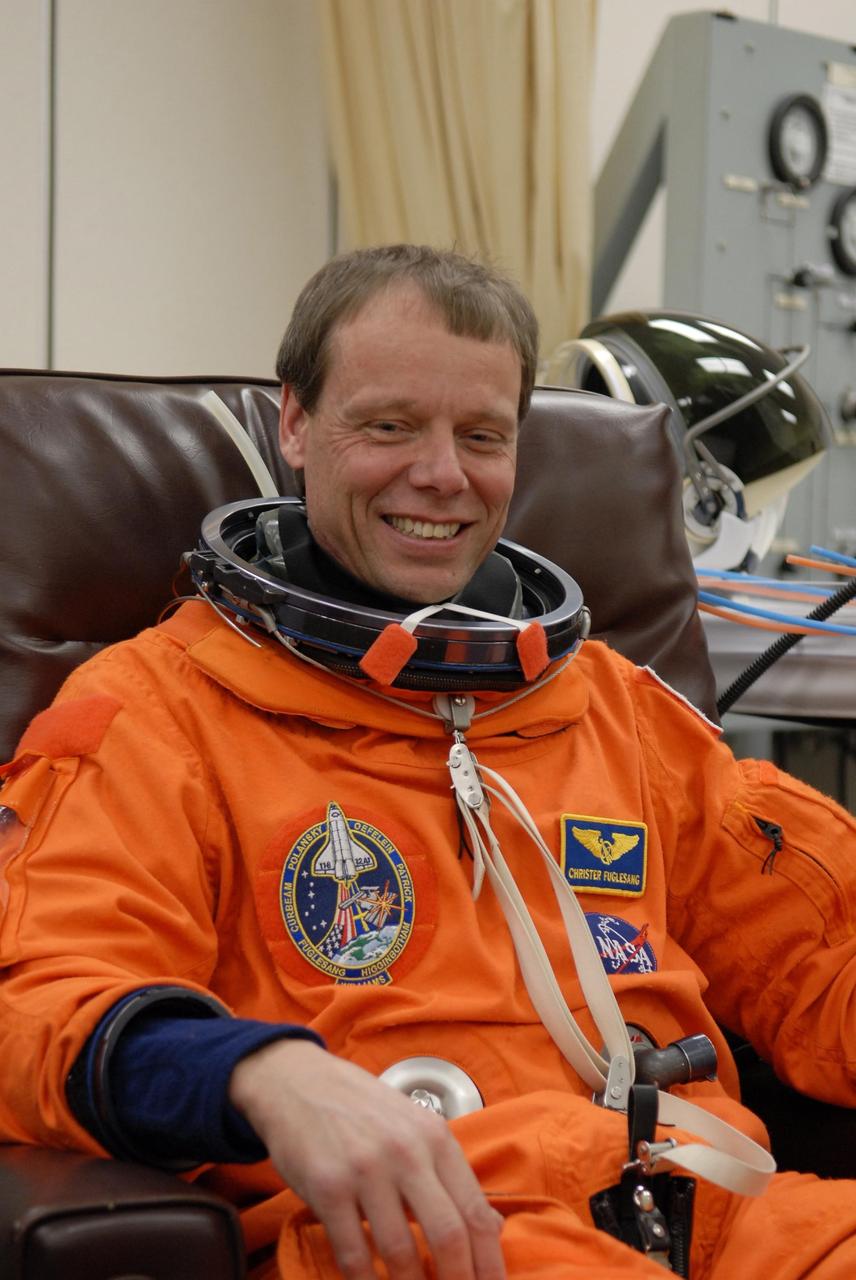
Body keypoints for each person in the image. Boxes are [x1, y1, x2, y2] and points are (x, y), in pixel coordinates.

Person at [0, 243, 855, 1280]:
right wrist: (259, 1072)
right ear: (298, 424)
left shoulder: (618, 712)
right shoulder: (158, 711)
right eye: (389, 424)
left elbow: (822, 946)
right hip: (426, 1232)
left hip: (716, 1206)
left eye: (481, 435)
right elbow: (39, 996)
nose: (441, 475)